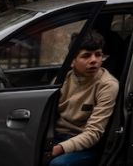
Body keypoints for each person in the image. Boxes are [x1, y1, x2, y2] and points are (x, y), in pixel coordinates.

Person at [47, 31, 119, 166]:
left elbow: (93, 133)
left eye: (98, 55)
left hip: (86, 144)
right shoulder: (61, 79)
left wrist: (59, 148)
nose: (94, 60)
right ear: (72, 61)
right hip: (56, 136)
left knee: (58, 164)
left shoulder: (107, 85)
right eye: (86, 56)